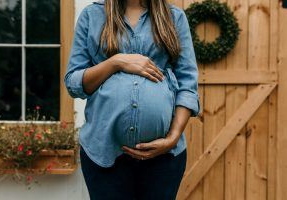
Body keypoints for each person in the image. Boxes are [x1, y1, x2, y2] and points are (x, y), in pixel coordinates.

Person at [64, 0, 200, 199]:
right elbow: (74, 83)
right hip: (103, 153)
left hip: (164, 157)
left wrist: (172, 138)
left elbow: (188, 84)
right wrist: (115, 62)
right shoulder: (92, 16)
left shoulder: (175, 17)